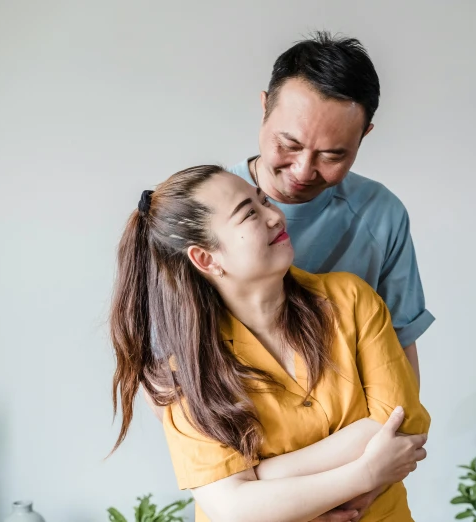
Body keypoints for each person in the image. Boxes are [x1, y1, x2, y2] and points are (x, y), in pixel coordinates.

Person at [110, 165, 431, 522]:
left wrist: (259, 480)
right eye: (249, 213)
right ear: (206, 258)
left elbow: (402, 424)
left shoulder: (352, 299)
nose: (275, 216)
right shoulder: (186, 369)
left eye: (263, 200)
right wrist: (365, 473)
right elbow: (233, 510)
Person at [228, 32, 434, 385]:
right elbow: (161, 371)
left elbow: (398, 347)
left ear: (363, 136)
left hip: (355, 428)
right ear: (264, 108)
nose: (303, 171)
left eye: (332, 155)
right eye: (288, 144)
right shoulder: (199, 207)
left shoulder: (380, 215)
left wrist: (406, 433)